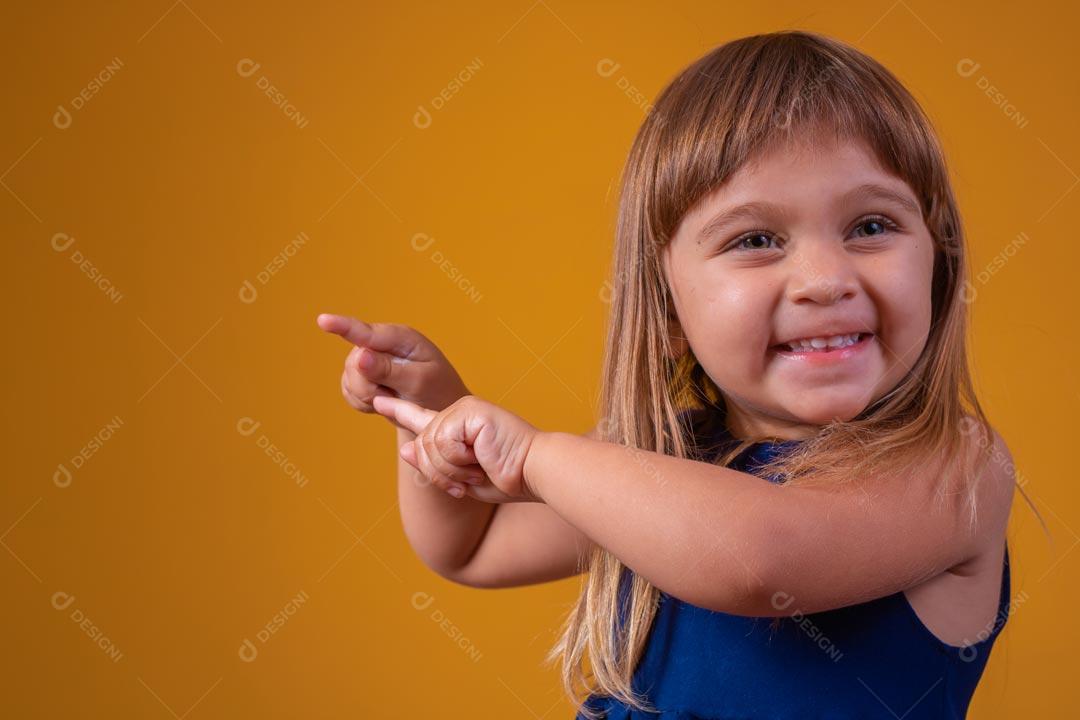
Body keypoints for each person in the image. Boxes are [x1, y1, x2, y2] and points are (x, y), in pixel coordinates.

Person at [317, 30, 1038, 719]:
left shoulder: (954, 469)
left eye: (871, 226)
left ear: (938, 260)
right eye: (757, 240)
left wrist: (534, 454)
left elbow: (761, 561)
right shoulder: (658, 461)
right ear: (664, 308)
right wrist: (436, 418)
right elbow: (472, 545)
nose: (824, 279)